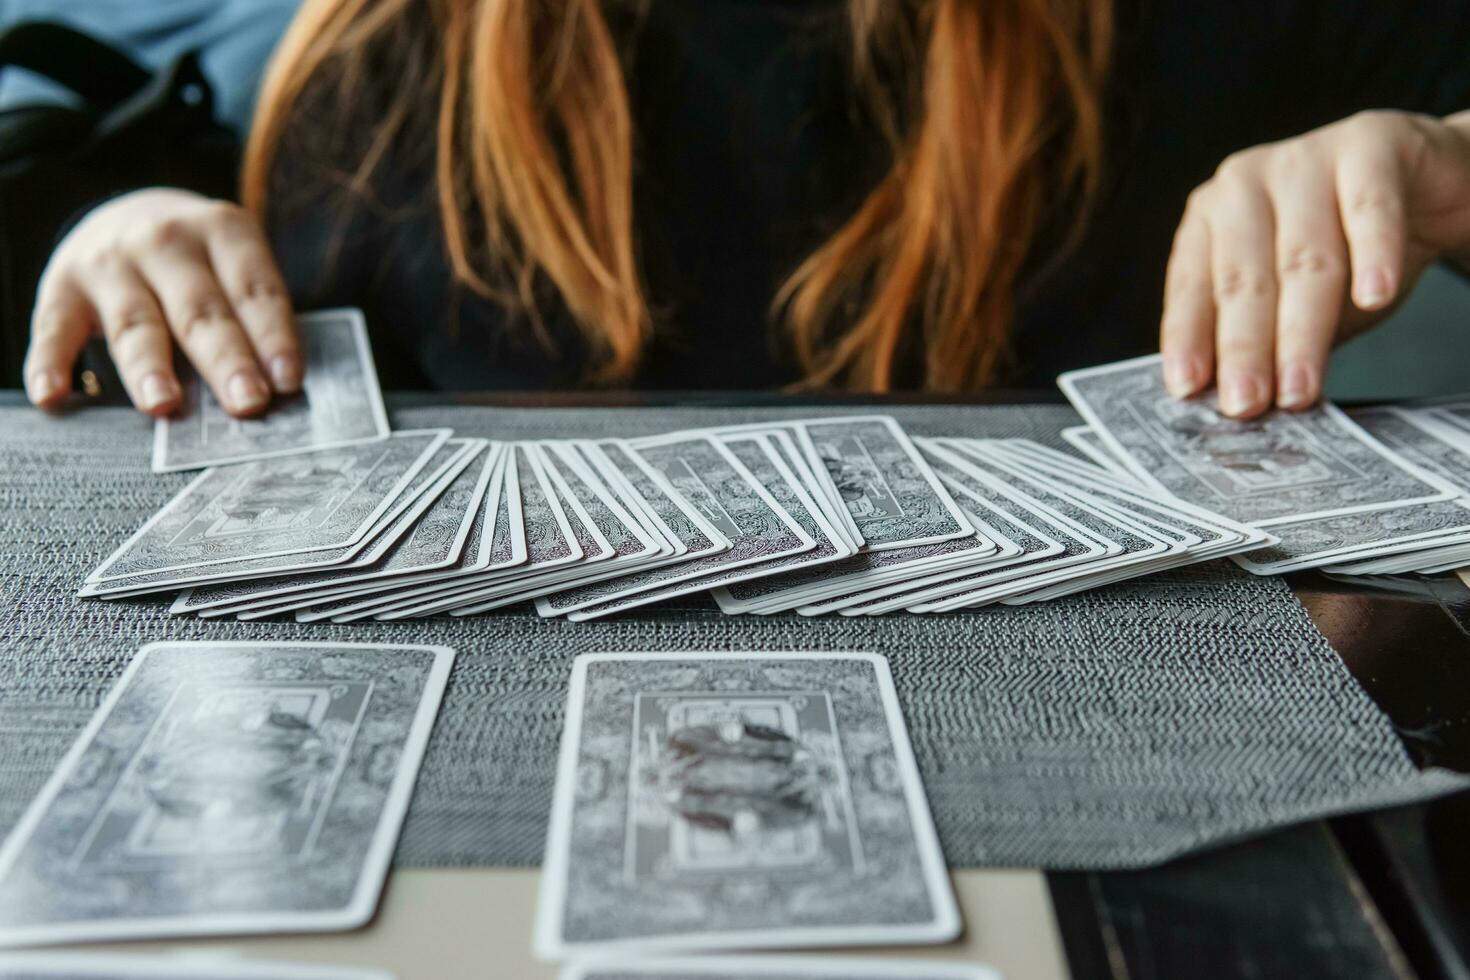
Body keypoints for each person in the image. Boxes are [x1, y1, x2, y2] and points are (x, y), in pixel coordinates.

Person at [21, 0, 1470, 421]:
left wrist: (1438, 164)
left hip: (1093, 756)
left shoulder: (1177, 35)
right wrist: (87, 224)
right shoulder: (379, 59)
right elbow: (51, 139)